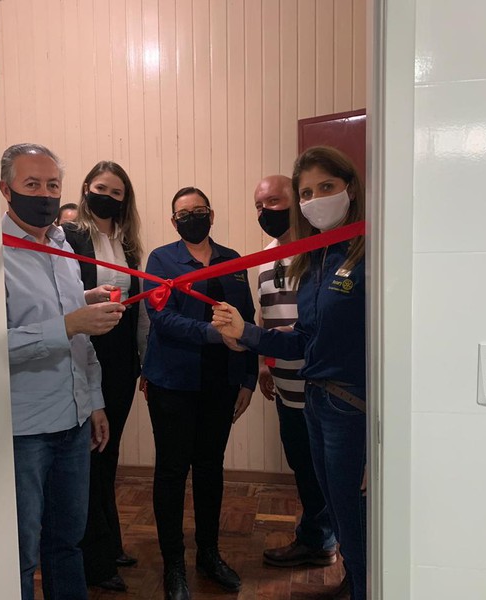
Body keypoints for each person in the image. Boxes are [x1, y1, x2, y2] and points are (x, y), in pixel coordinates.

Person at [212, 147, 367, 600]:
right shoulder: (315, 259)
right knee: (336, 509)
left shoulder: (371, 249)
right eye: (307, 193)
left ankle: (365, 585)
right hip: (317, 400)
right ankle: (354, 580)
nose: (316, 200)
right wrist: (247, 334)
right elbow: (302, 340)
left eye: (326, 187)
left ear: (350, 188)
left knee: (355, 515)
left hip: (353, 406)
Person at [0, 143, 126, 600]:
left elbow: (79, 338)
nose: (45, 194)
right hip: (24, 430)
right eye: (32, 184)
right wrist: (68, 323)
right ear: (6, 190)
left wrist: (94, 402)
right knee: (19, 553)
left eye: (52, 185)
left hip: (73, 422)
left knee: (68, 543)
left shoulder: (62, 245)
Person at [141, 187, 258, 600]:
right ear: (173, 221)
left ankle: (209, 554)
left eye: (199, 210)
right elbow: (161, 317)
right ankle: (174, 564)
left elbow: (247, 319)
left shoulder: (234, 260)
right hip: (172, 383)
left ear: (211, 214)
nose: (192, 217)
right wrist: (212, 333)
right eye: (184, 213)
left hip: (220, 383)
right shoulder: (161, 260)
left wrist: (248, 378)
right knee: (172, 472)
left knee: (210, 468)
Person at [62, 161, 148, 592]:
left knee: (108, 453)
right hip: (83, 350)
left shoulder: (128, 244)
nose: (108, 197)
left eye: (117, 192)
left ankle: (109, 542)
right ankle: (93, 558)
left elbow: (138, 308)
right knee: (91, 455)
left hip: (121, 358)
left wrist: (141, 361)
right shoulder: (69, 236)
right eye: (101, 188)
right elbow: (61, 299)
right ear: (85, 189)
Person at [253, 175, 337, 568]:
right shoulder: (263, 257)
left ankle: (326, 542)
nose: (265, 211)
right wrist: (263, 363)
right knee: (302, 466)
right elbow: (265, 314)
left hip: (322, 385)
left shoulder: (321, 249)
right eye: (259, 205)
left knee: (327, 473)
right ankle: (316, 539)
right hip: (285, 384)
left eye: (273, 201)